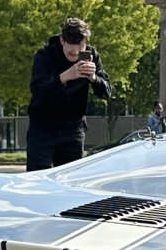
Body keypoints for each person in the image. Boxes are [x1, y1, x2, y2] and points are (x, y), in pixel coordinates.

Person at [26, 17, 111, 170]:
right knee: (37, 177)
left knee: (69, 177)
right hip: (43, 127)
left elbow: (106, 92)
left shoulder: (92, 55)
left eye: (80, 49)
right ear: (62, 40)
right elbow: (38, 92)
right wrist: (64, 77)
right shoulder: (45, 55)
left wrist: (93, 78)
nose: (75, 53)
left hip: (73, 129)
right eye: (71, 51)